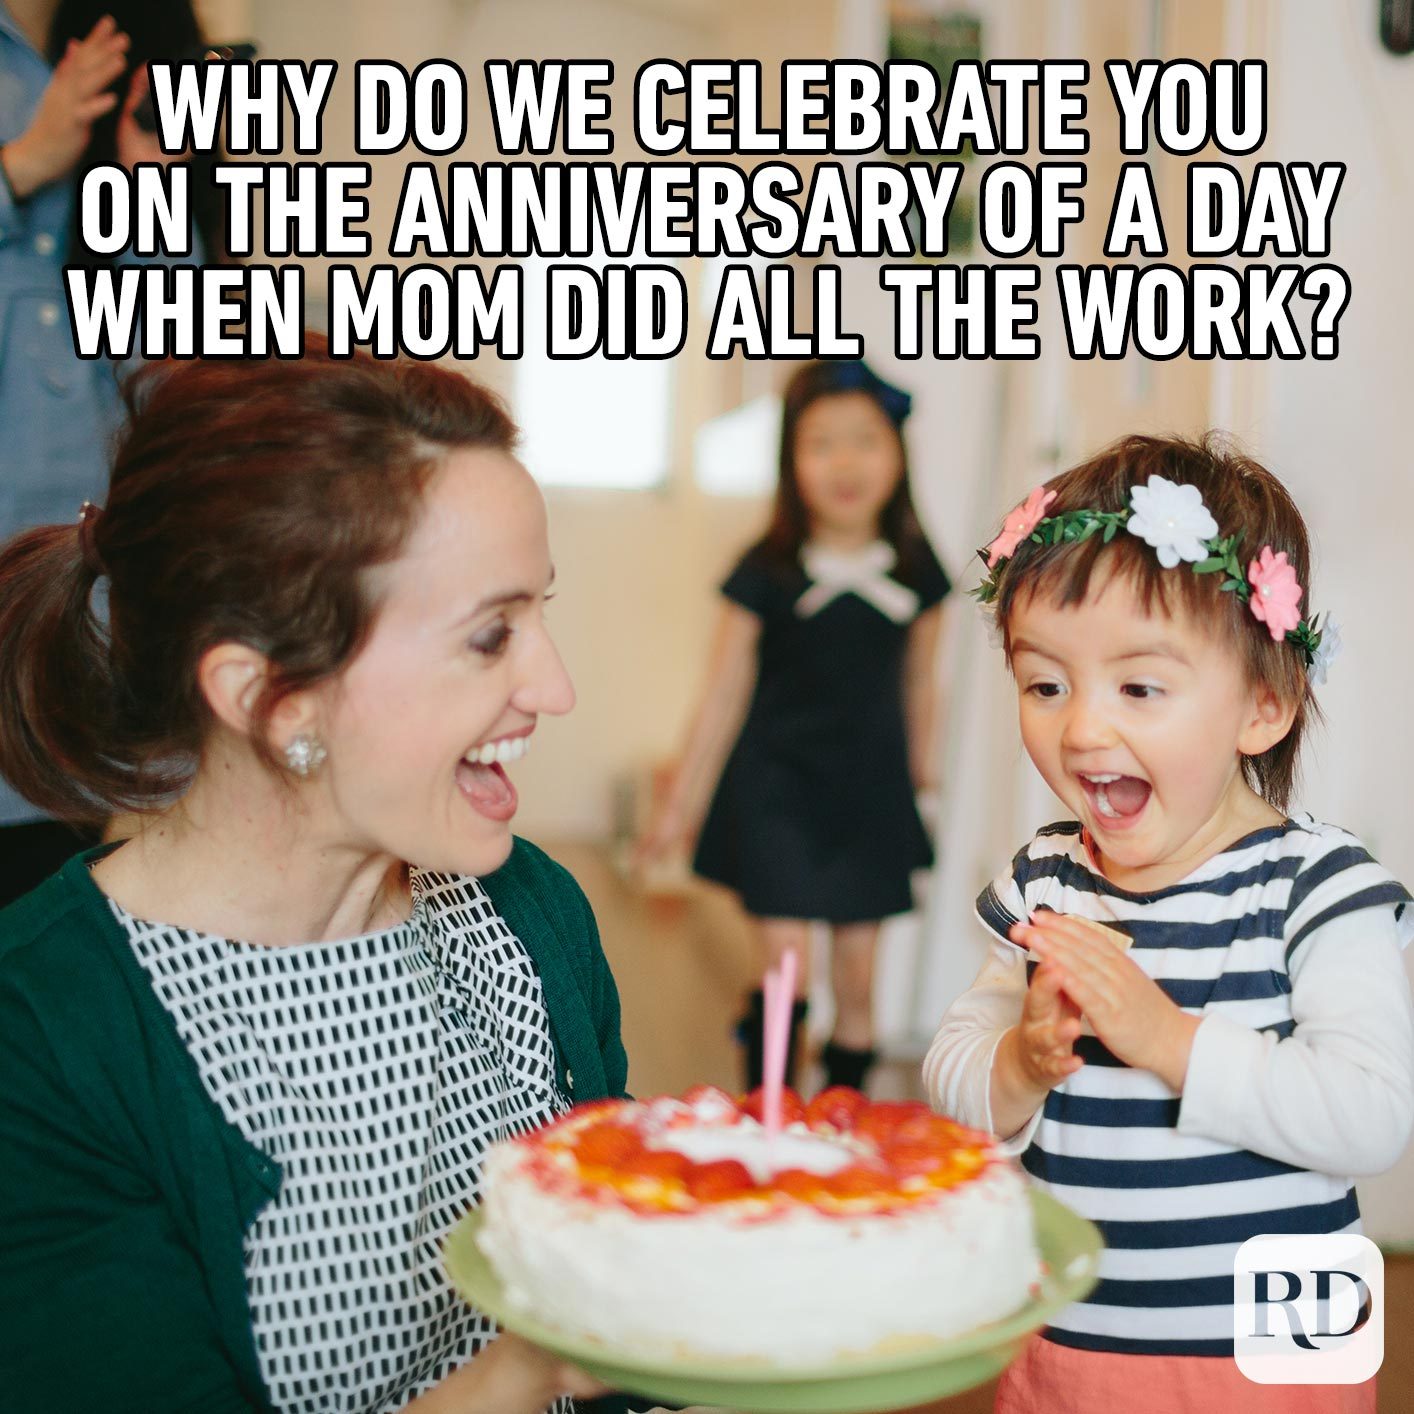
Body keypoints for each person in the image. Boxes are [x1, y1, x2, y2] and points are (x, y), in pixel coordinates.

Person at [0, 343, 630, 1413]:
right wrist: (527, 1371)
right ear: (271, 700)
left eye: (540, 612)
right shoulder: (43, 1038)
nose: (553, 685)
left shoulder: (532, 916)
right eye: (490, 635)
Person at [924, 434, 1412, 1413]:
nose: (1082, 729)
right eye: (1044, 683)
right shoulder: (1043, 882)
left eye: (1138, 686)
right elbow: (952, 1074)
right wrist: (1015, 1065)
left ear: (1263, 707)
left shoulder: (1316, 889)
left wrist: (1168, 1039)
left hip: (1281, 1353)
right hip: (1076, 1338)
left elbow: (1370, 1115)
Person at [638, 359, 951, 1094]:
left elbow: (921, 684)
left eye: (864, 440)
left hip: (868, 796)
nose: (845, 463)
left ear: (898, 454)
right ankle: (770, 1117)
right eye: (820, 443)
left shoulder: (916, 571)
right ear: (790, 461)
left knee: (859, 980)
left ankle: (844, 1122)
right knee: (785, 972)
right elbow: (720, 695)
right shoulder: (765, 568)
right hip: (775, 790)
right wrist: (677, 806)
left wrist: (922, 784)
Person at [0, 0, 222, 901]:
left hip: (78, 621)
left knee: (39, 959)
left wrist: (149, 198)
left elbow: (176, 386)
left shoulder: (141, 29)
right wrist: (21, 167)